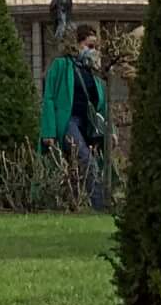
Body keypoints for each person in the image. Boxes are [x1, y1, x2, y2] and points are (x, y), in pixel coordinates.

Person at [41, 24, 111, 210]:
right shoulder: (62, 65)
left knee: (89, 163)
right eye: (90, 46)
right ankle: (100, 207)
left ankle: (79, 203)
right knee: (87, 161)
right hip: (68, 122)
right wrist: (49, 131)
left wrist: (106, 131)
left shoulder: (92, 72)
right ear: (78, 44)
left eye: (95, 47)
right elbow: (48, 97)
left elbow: (101, 104)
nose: (93, 51)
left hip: (87, 126)